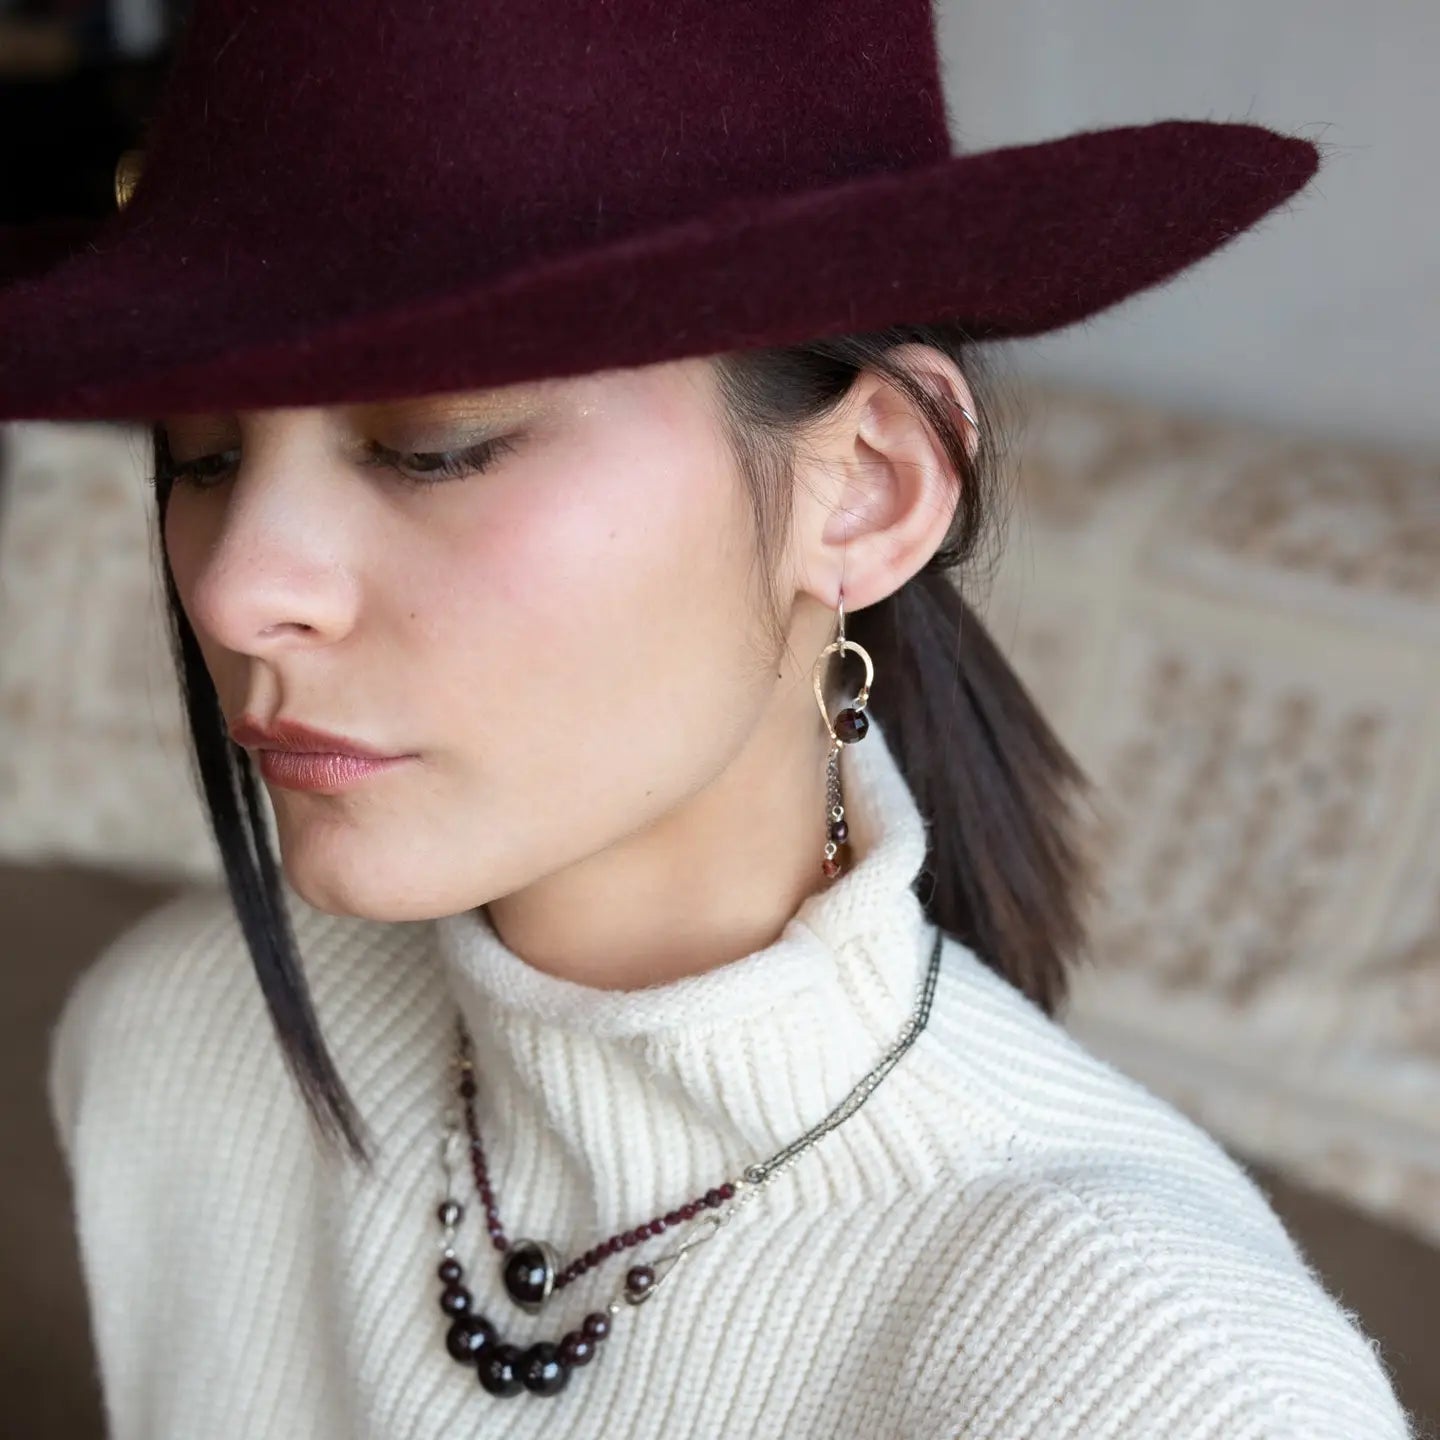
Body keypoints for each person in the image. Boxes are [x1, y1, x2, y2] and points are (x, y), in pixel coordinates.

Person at [0, 0, 1414, 1435]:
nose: (239, 587)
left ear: (867, 486)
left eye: (435, 448)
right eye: (203, 457)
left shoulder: (1161, 1375)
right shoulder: (177, 1039)